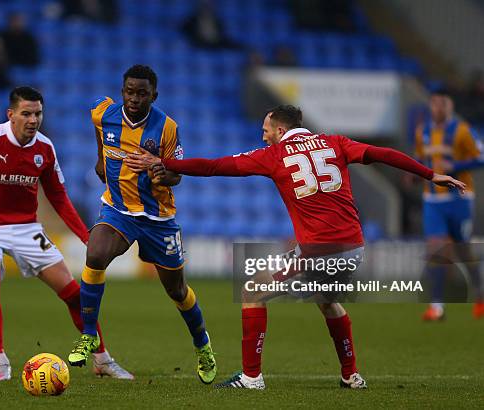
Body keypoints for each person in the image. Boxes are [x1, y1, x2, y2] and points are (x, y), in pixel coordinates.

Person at [125, 105, 466, 389]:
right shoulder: (335, 142)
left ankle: (252, 377)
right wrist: (429, 174)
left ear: (279, 128)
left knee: (252, 291)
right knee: (327, 301)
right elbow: (382, 154)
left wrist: (164, 163)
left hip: (319, 250)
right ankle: (351, 375)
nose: (263, 135)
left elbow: (215, 166)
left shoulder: (274, 155)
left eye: (265, 129)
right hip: (355, 246)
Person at [0, 86, 133, 381]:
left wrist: (85, 235)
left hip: (26, 228)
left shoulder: (45, 149)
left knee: (74, 295)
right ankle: (0, 362)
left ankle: (102, 359)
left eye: (38, 113)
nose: (33, 119)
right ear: (11, 115)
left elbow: (59, 198)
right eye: (26, 113)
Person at [67, 65, 217, 384]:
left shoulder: (167, 128)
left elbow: (176, 172)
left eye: (142, 93)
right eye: (129, 91)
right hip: (118, 209)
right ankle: (90, 335)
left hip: (157, 219)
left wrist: (163, 173)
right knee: (94, 256)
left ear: (154, 95)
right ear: (122, 91)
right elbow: (99, 132)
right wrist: (99, 157)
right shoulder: (103, 112)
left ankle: (203, 345)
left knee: (176, 290)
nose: (134, 98)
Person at [415, 89, 483, 320]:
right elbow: (420, 160)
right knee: (436, 249)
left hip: (459, 199)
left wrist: (454, 166)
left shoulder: (462, 131)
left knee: (463, 249)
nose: (439, 107)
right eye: (435, 103)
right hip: (432, 201)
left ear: (450, 106)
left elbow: (481, 157)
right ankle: (437, 306)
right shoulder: (422, 131)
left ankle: (480, 295)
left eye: (443, 103)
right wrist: (413, 173)